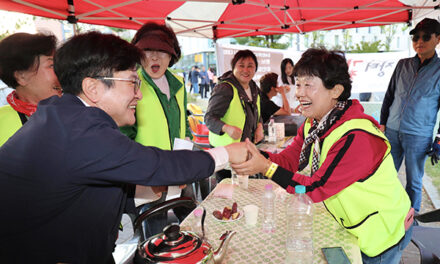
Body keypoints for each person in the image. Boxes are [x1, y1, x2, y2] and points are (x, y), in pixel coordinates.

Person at [0, 32, 247, 263]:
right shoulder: (78, 128)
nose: (139, 95)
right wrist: (226, 153)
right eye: (132, 82)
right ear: (93, 88)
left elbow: (87, 184)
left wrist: (146, 189)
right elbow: (155, 164)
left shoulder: (63, 116)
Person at [232, 48, 413, 264]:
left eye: (309, 85)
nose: (299, 93)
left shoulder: (357, 137)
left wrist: (265, 167)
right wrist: (255, 154)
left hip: (382, 233)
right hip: (352, 224)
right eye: (298, 84)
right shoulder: (315, 123)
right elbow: (289, 160)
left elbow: (314, 188)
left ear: (335, 90)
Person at [122, 21, 196, 237]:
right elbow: (124, 136)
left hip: (181, 169)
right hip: (149, 175)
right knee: (154, 232)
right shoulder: (131, 85)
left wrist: (187, 154)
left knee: (194, 222)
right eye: (147, 50)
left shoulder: (178, 84)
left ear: (172, 56)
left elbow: (184, 125)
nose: (154, 57)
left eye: (162, 51)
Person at [380, 18, 440, 213]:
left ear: (437, 39)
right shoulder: (402, 65)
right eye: (415, 37)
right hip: (392, 130)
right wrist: (382, 124)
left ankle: (411, 219)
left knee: (414, 181)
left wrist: (439, 137)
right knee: (385, 176)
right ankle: (386, 212)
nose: (419, 41)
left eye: (425, 37)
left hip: (418, 135)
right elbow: (389, 96)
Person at [205, 49, 264, 182]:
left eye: (250, 66)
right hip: (226, 153)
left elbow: (257, 111)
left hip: (245, 150)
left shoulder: (253, 87)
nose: (246, 70)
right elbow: (209, 118)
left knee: (244, 190)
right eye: (241, 65)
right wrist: (226, 128)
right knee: (229, 193)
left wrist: (259, 125)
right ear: (233, 68)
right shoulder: (225, 88)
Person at [0, 32, 61, 146]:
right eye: (51, 65)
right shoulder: (3, 121)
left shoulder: (75, 110)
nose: (60, 72)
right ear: (21, 76)